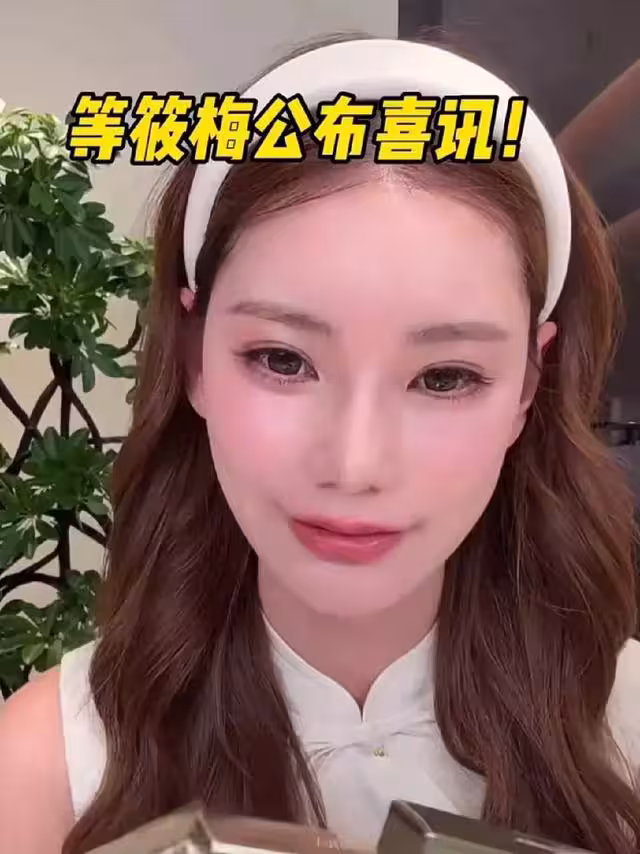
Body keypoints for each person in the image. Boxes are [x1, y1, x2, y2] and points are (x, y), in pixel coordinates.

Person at [1, 35, 639, 854]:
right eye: (282, 359)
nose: (354, 465)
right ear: (193, 358)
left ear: (526, 386)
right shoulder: (47, 768)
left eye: (445, 376)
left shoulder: (624, 728)